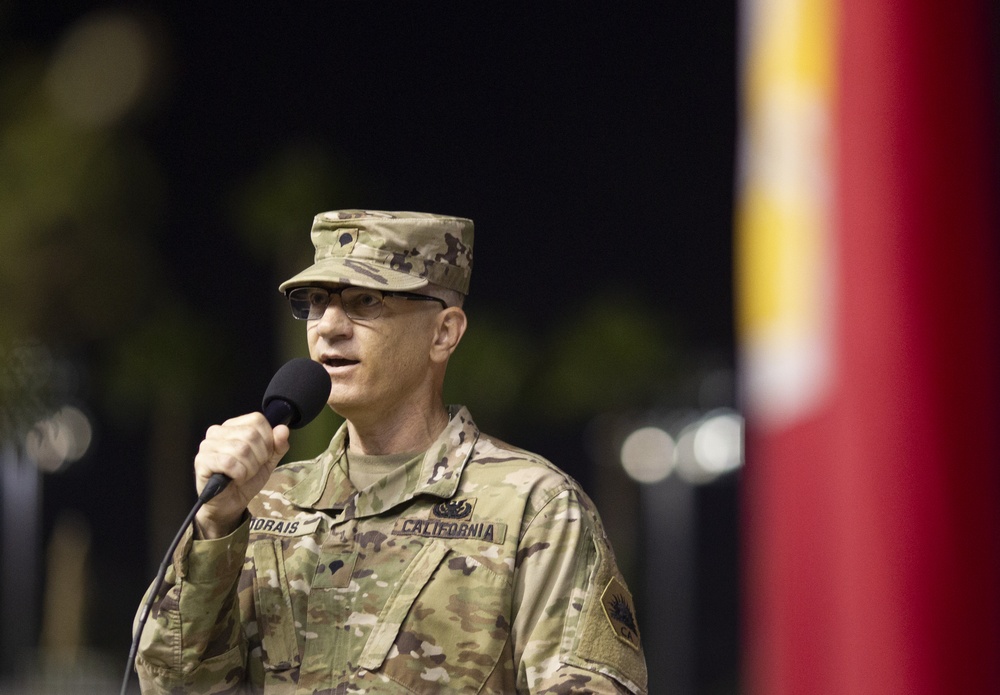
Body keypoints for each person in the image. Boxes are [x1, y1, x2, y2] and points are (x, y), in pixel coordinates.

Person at [135, 210, 648, 694]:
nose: (328, 326)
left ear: (444, 332)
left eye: (367, 302)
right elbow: (170, 683)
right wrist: (214, 529)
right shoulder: (261, 503)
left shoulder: (533, 507)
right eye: (316, 300)